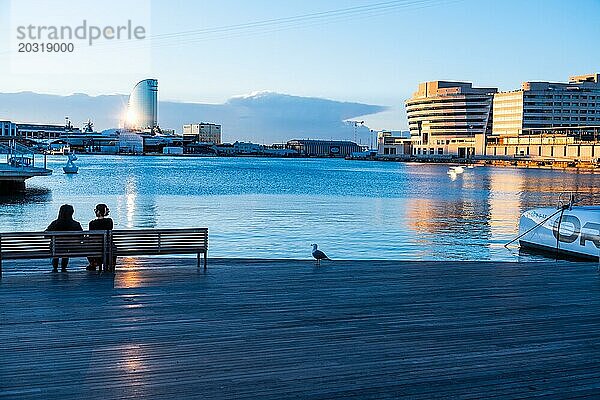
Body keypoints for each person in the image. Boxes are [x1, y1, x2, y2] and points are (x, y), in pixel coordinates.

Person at [46, 204, 83, 272]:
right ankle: (63, 267)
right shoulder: (76, 224)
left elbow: (46, 235)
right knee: (66, 248)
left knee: (57, 247)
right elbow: (81, 237)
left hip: (56, 247)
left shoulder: (55, 223)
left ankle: (55, 268)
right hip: (70, 247)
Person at [87, 204, 114, 271]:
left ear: (98, 211)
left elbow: (91, 237)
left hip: (96, 247)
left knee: (89, 245)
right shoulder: (109, 221)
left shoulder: (92, 223)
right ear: (105, 212)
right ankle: (109, 264)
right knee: (111, 246)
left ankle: (93, 263)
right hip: (108, 246)